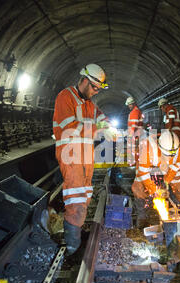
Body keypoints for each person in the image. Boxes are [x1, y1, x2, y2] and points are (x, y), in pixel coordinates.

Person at [50, 63, 110, 255]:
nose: (95, 92)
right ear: (84, 80)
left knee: (84, 196)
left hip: (85, 157)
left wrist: (108, 126)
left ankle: (75, 233)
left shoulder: (90, 104)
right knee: (76, 200)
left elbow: (101, 117)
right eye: (94, 87)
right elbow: (68, 129)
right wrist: (98, 128)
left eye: (98, 89)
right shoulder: (65, 97)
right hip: (71, 155)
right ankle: (72, 247)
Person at [131, 130, 180, 227]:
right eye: (165, 155)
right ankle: (142, 217)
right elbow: (143, 173)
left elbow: (174, 169)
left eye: (171, 155)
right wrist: (155, 191)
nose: (168, 158)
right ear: (159, 146)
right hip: (148, 164)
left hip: (168, 167)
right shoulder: (147, 149)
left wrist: (165, 183)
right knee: (138, 187)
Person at [125, 96, 144, 166]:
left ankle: (133, 163)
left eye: (129, 104)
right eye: (128, 105)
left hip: (135, 135)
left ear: (133, 104)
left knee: (133, 149)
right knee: (135, 149)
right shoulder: (137, 111)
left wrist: (130, 135)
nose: (129, 106)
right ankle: (134, 162)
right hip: (137, 134)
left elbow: (134, 125)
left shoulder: (135, 112)